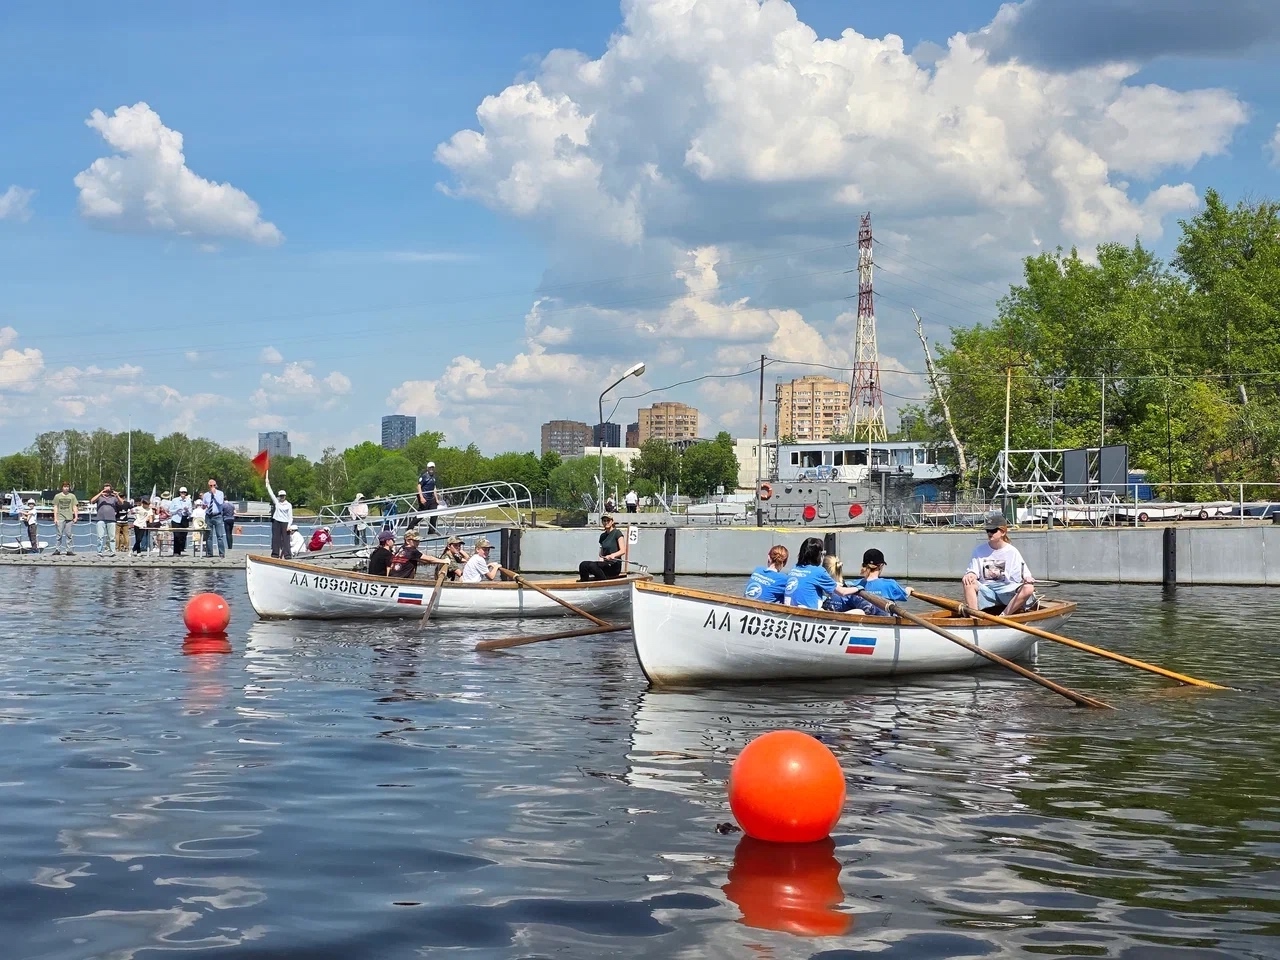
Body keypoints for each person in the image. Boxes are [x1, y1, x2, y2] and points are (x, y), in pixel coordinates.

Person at [963, 512, 1037, 615]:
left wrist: (1027, 578)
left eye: (993, 530)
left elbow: (1025, 574)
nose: (990, 533)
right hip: (987, 591)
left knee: (1029, 588)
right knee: (967, 581)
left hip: (1006, 591)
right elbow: (973, 571)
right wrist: (970, 574)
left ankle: (1004, 616)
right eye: (988, 530)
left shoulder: (1012, 551)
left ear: (1003, 532)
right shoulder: (978, 550)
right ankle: (974, 617)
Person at [783, 537, 864, 609]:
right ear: (819, 555)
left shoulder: (794, 568)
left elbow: (808, 583)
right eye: (823, 553)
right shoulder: (819, 571)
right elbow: (842, 592)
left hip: (791, 609)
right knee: (859, 612)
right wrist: (859, 587)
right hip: (809, 613)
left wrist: (833, 584)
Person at [830, 548, 912, 616]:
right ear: (881, 566)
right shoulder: (890, 584)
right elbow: (905, 595)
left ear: (864, 565)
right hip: (884, 621)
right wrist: (909, 589)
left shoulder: (853, 586)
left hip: (863, 619)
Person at [577, 514, 626, 581]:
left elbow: (623, 550)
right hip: (605, 564)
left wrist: (612, 555)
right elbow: (601, 554)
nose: (606, 522)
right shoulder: (602, 536)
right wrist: (600, 561)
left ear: (612, 522)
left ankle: (603, 583)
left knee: (592, 566)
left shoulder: (617, 533)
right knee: (583, 564)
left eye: (608, 520)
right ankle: (584, 584)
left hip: (614, 565)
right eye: (604, 521)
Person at [89, 483, 126, 555]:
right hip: (100, 519)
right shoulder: (100, 497)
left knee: (112, 537)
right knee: (100, 536)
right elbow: (92, 501)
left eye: (108, 490)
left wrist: (117, 495)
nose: (107, 492)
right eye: (105, 490)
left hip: (111, 519)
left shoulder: (113, 498)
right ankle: (99, 551)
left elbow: (121, 503)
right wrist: (101, 493)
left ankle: (112, 551)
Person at [202, 478, 228, 558]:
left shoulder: (220, 493)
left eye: (214, 485)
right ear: (208, 486)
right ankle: (210, 553)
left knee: (219, 535)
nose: (212, 487)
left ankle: (221, 553)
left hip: (217, 516)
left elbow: (220, 502)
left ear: (216, 485)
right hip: (209, 516)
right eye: (210, 485)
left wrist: (214, 494)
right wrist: (204, 506)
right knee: (209, 536)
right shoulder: (206, 495)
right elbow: (204, 504)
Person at [412, 461, 440, 534]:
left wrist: (436, 499)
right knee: (421, 514)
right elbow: (419, 486)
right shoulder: (424, 476)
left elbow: (434, 488)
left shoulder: (434, 477)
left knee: (434, 512)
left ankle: (431, 530)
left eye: (433, 468)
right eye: (430, 468)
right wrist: (421, 497)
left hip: (431, 498)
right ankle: (410, 527)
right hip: (424, 497)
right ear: (427, 468)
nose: (431, 469)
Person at [52, 481, 77, 555]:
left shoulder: (72, 496)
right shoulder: (57, 496)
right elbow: (55, 507)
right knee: (59, 534)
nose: (66, 488)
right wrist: (55, 518)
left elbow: (74, 506)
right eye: (65, 487)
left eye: (67, 487)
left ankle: (69, 550)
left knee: (69, 534)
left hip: (69, 517)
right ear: (62, 487)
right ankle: (57, 549)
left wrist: (76, 516)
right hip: (60, 517)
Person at [170, 487, 194, 556]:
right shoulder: (175, 500)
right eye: (182, 492)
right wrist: (177, 510)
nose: (183, 494)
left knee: (183, 536)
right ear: (179, 493)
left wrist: (187, 510)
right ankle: (176, 552)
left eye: (184, 492)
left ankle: (181, 549)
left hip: (184, 519)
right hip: (176, 519)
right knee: (176, 536)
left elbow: (190, 513)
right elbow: (171, 511)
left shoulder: (188, 501)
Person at [271, 488, 293, 558]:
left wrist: (289, 526)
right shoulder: (277, 502)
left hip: (285, 522)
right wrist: (267, 484)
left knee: (286, 539)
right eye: (281, 496)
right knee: (275, 538)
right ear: (279, 496)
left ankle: (287, 554)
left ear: (285, 496)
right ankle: (275, 553)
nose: (282, 497)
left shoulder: (289, 505)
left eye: (283, 495)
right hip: (276, 521)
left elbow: (290, 516)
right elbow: (271, 494)